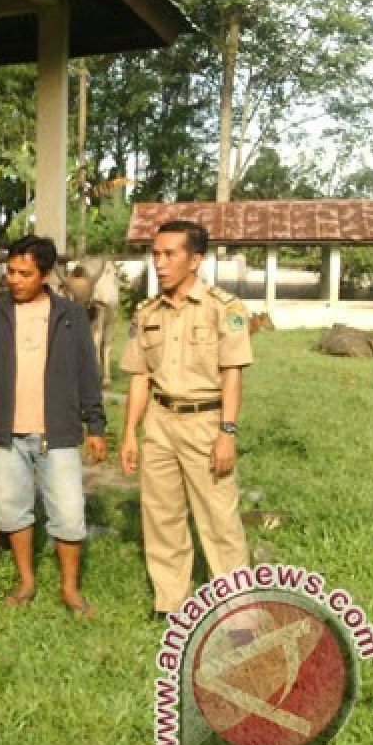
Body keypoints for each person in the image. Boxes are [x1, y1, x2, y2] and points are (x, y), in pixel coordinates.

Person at [0, 235, 108, 617]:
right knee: (11, 511)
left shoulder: (70, 317)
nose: (14, 280)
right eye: (10, 272)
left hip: (56, 433)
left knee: (70, 514)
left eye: (24, 274)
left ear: (44, 275)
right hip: (6, 433)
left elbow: (86, 375)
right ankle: (26, 581)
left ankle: (70, 589)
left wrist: (95, 426)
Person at [119, 219, 253, 620]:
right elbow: (140, 377)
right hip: (159, 421)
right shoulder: (147, 313)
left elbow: (233, 374)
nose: (159, 263)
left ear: (195, 259)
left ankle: (236, 609)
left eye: (169, 254)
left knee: (219, 520)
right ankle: (170, 602)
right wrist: (129, 435)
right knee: (161, 516)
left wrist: (227, 433)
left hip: (205, 422)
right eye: (156, 254)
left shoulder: (224, 308)